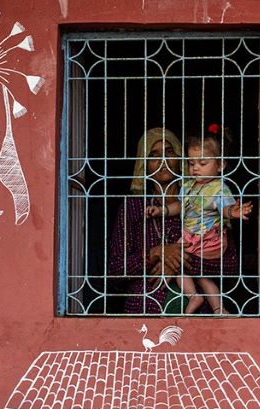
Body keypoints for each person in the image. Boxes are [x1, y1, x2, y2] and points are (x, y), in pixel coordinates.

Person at [106, 127, 240, 315]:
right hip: (145, 310)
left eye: (169, 152)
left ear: (180, 158)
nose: (163, 159)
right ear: (144, 163)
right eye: (153, 155)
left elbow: (231, 266)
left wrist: (177, 263)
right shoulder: (133, 206)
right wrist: (154, 254)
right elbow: (115, 270)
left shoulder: (207, 198)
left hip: (198, 316)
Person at [147, 125, 252, 314]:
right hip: (192, 238)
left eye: (202, 163)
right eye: (191, 163)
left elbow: (225, 208)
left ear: (220, 165)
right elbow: (179, 206)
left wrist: (233, 212)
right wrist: (162, 210)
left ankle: (197, 298)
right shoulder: (188, 186)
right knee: (198, 275)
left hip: (208, 239)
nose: (195, 168)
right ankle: (215, 307)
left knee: (179, 264)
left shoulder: (219, 188)